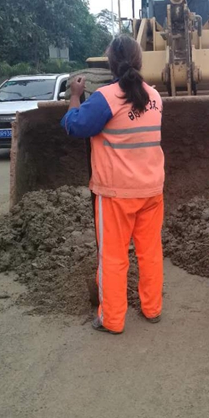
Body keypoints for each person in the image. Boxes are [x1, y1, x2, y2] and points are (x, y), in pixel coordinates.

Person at [61, 36, 164, 335]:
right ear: (139, 61)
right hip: (152, 190)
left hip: (116, 193)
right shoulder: (156, 97)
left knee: (114, 257)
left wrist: (75, 97)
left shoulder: (105, 98)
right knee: (150, 253)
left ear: (111, 63)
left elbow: (75, 126)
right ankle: (153, 309)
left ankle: (112, 319)